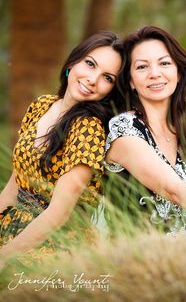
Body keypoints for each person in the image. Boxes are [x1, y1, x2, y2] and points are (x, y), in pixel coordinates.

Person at [0, 31, 125, 264]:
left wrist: (4, 257)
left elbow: (59, 214)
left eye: (107, 78)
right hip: (12, 224)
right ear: (72, 62)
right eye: (90, 64)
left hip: (57, 241)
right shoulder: (42, 105)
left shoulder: (88, 129)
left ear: (112, 90)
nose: (92, 79)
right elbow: (13, 187)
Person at [105, 25, 186, 236]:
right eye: (142, 67)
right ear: (130, 81)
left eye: (164, 63)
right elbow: (172, 190)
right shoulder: (123, 130)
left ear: (178, 72)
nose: (154, 74)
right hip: (137, 260)